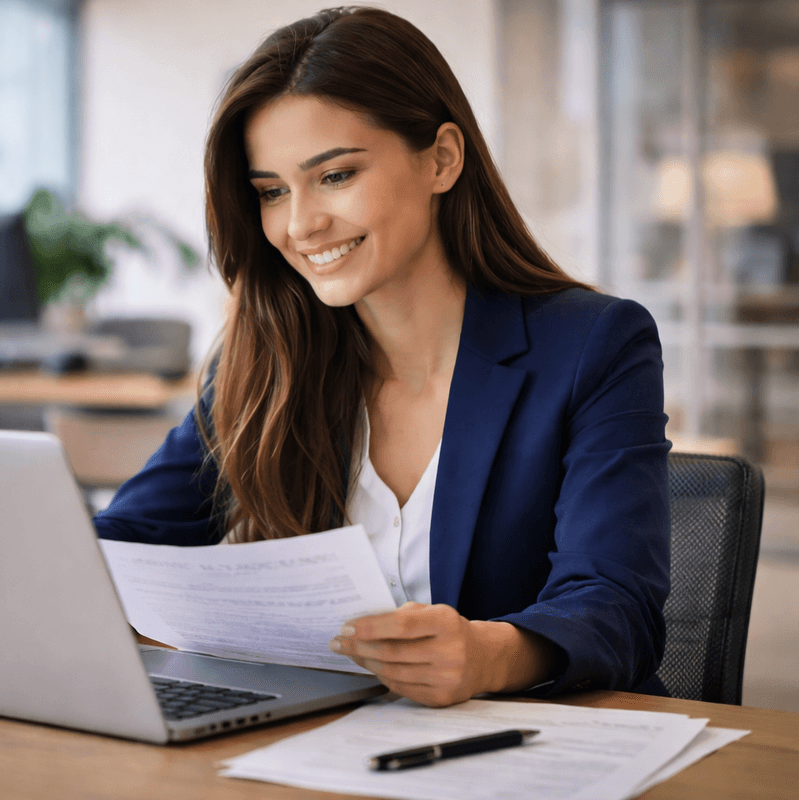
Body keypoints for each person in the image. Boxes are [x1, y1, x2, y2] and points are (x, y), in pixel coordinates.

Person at [93, 6, 670, 707]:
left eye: (334, 176)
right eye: (272, 192)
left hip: (526, 743)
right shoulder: (264, 358)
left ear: (442, 159)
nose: (301, 224)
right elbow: (123, 540)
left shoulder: (593, 345)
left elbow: (616, 603)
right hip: (318, 744)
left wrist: (488, 655)